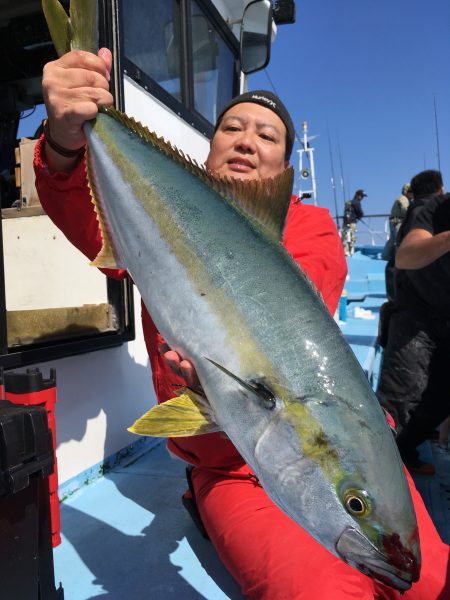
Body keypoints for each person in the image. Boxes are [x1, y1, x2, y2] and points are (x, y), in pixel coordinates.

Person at [35, 48, 450, 599]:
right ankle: (208, 504)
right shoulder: (153, 201)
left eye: (267, 135)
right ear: (210, 150)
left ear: (282, 168)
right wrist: (66, 140)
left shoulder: (313, 227)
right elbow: (82, 213)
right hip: (230, 469)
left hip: (294, 439)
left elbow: (297, 300)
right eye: (232, 127)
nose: (247, 140)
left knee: (433, 583)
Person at [377, 170, 448, 478]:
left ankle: (405, 452)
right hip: (415, 316)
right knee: (398, 404)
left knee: (439, 399)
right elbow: (406, 255)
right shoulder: (430, 209)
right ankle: (378, 469)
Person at [382, 183, 414, 301]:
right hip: (398, 224)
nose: (412, 193)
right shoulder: (403, 199)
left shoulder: (403, 199)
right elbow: (407, 211)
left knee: (394, 246)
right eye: (410, 191)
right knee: (398, 247)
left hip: (396, 223)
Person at [341, 189, 367, 256]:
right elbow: (360, 213)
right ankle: (350, 253)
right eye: (362, 196)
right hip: (352, 223)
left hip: (345, 223)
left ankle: (344, 253)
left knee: (345, 239)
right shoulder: (357, 203)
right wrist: (359, 217)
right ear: (357, 195)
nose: (362, 198)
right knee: (351, 239)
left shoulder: (348, 203)